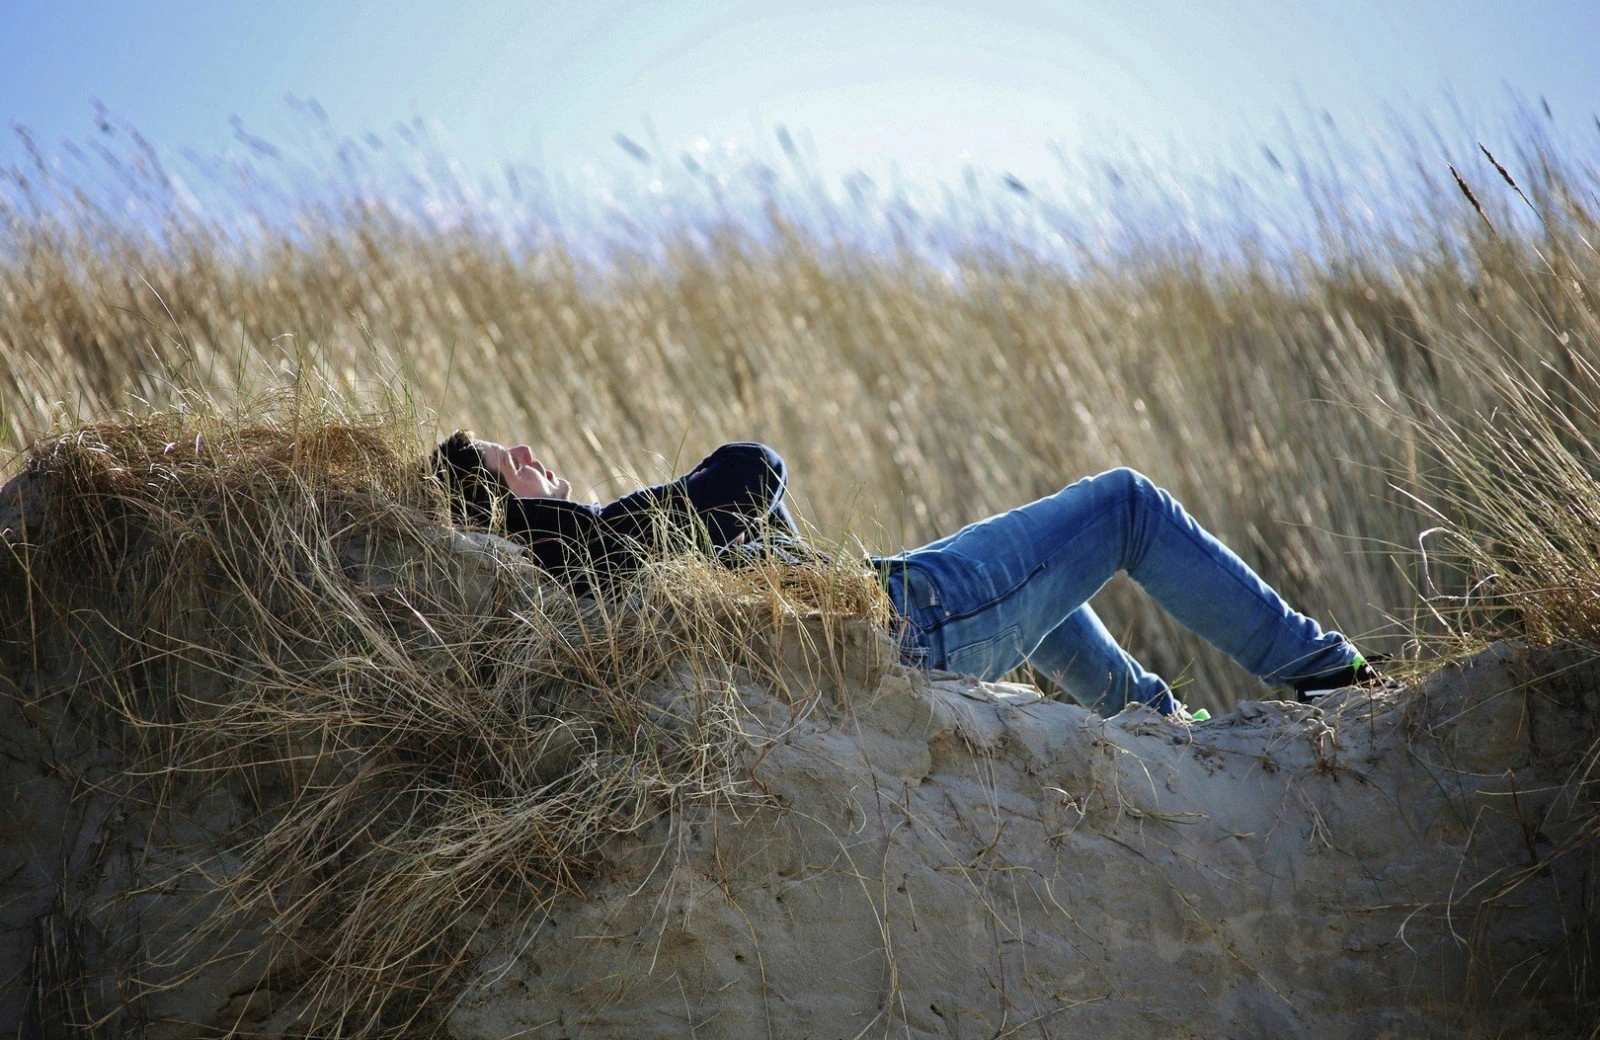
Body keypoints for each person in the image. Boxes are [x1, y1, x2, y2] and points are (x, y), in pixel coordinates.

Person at [434, 432, 1380, 716]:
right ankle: (1328, 675)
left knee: (1041, 594)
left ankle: (1158, 722)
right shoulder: (590, 544)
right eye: (504, 455)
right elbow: (753, 467)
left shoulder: (617, 557)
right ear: (508, 506)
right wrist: (601, 511)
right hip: (911, 622)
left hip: (899, 600)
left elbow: (764, 530)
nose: (529, 445)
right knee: (1127, 504)